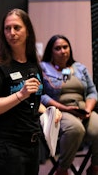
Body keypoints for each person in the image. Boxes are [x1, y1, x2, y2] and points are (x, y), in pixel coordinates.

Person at [0, 8, 43, 175]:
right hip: (7, 147)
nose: (12, 33)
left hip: (32, 144)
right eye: (7, 29)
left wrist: (50, 111)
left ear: (27, 31)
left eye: (17, 28)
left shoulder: (33, 64)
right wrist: (20, 95)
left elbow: (35, 101)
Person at [40, 34, 98, 175]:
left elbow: (92, 92)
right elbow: (40, 95)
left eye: (65, 47)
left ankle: (95, 167)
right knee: (75, 129)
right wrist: (65, 108)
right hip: (59, 110)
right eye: (57, 48)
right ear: (51, 51)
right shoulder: (43, 68)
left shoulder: (79, 68)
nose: (63, 51)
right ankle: (62, 169)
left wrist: (88, 110)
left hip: (83, 109)